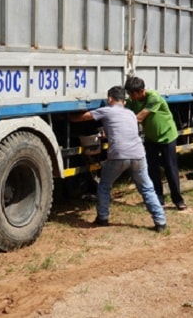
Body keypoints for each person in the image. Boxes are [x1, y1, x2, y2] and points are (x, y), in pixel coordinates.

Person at [70, 86, 167, 232]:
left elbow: (83, 117)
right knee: (147, 188)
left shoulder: (107, 110)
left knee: (104, 185)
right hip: (138, 155)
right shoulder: (131, 114)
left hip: (118, 156)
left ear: (109, 99)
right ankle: (160, 222)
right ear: (125, 101)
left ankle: (102, 218)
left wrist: (67, 118)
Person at [124, 76, 186, 211]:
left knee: (170, 168)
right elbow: (124, 112)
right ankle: (158, 199)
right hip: (151, 138)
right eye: (128, 93)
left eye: (132, 93)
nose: (130, 96)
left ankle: (178, 200)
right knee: (152, 169)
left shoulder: (154, 97)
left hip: (167, 137)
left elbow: (141, 116)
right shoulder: (132, 101)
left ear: (141, 91)